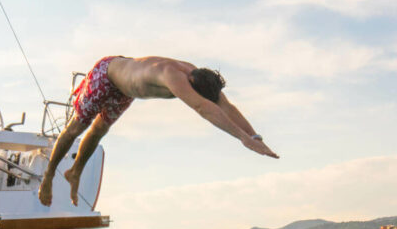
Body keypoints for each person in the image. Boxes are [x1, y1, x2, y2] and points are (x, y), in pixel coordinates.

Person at [38, 56, 278, 206]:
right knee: (75, 129)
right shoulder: (173, 76)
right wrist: (243, 139)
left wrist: (254, 136)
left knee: (99, 130)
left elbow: (225, 106)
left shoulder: (199, 75)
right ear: (192, 84)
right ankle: (49, 175)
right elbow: (203, 107)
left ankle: (75, 172)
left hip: (125, 90)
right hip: (106, 75)